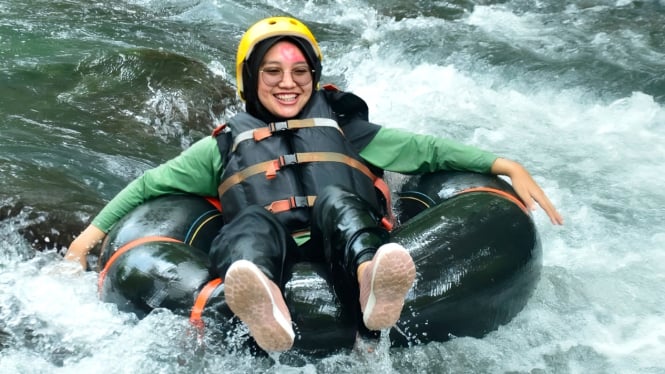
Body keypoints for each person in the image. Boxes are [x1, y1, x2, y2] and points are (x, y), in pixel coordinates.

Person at [65, 16, 564, 352]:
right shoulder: (220, 148)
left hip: (341, 246)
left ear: (315, 74)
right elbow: (150, 187)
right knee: (251, 224)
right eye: (273, 71)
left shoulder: (348, 130)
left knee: (337, 199)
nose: (289, 82)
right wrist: (90, 236)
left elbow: (429, 151)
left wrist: (502, 163)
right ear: (249, 79)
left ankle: (374, 279)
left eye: (300, 71)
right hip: (273, 251)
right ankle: (262, 303)